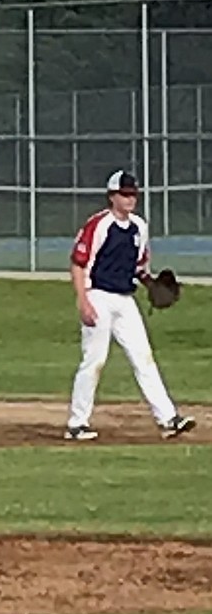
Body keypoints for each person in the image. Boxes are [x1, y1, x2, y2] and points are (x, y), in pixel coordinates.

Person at [64, 170, 195, 441]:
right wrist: (83, 300)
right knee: (95, 360)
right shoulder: (99, 224)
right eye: (124, 194)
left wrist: (151, 284)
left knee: (143, 358)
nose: (130, 198)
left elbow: (138, 266)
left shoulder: (139, 227)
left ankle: (168, 418)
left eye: (133, 193)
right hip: (98, 295)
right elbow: (78, 263)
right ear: (112, 197)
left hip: (125, 300)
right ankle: (77, 423)